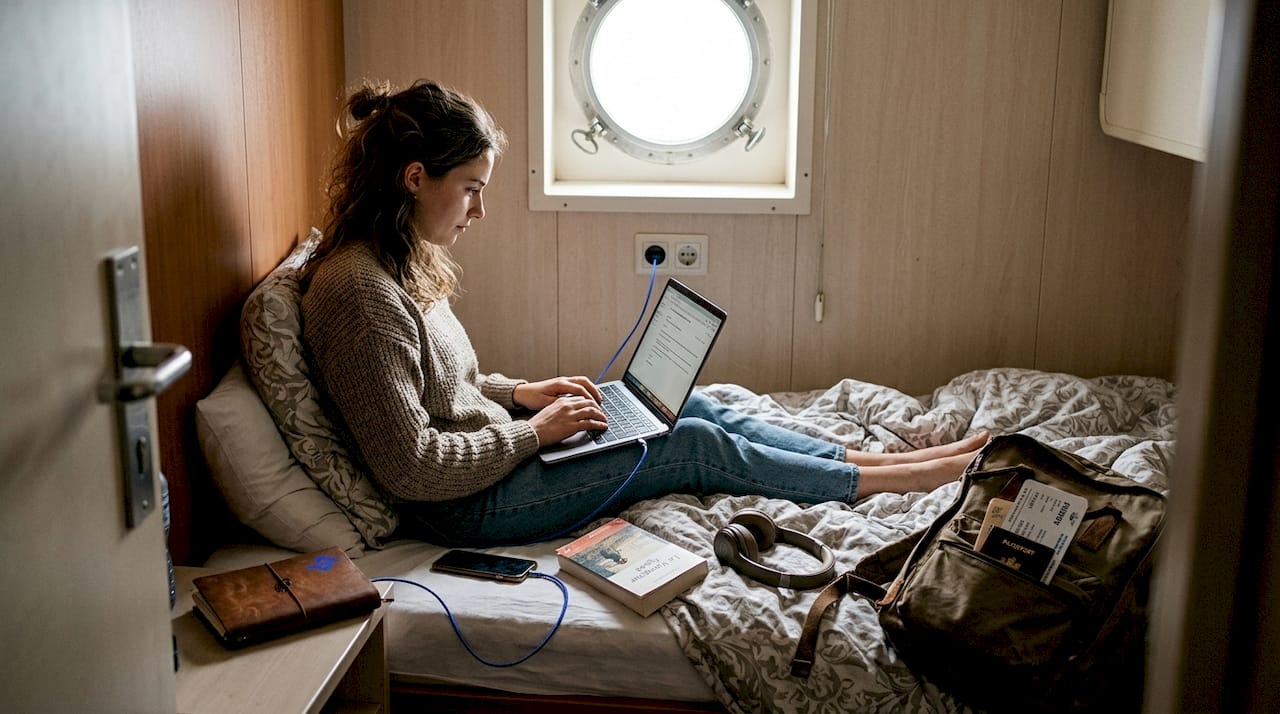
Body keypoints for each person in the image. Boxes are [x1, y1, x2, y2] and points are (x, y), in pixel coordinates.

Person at [299, 79, 988, 547]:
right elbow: (414, 467)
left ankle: (866, 457)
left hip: (493, 459)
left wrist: (521, 395)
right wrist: (535, 434)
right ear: (414, 178)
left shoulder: (396, 259)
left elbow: (443, 389)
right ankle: (895, 480)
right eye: (472, 189)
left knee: (694, 403)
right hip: (467, 505)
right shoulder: (360, 294)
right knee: (691, 444)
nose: (479, 211)